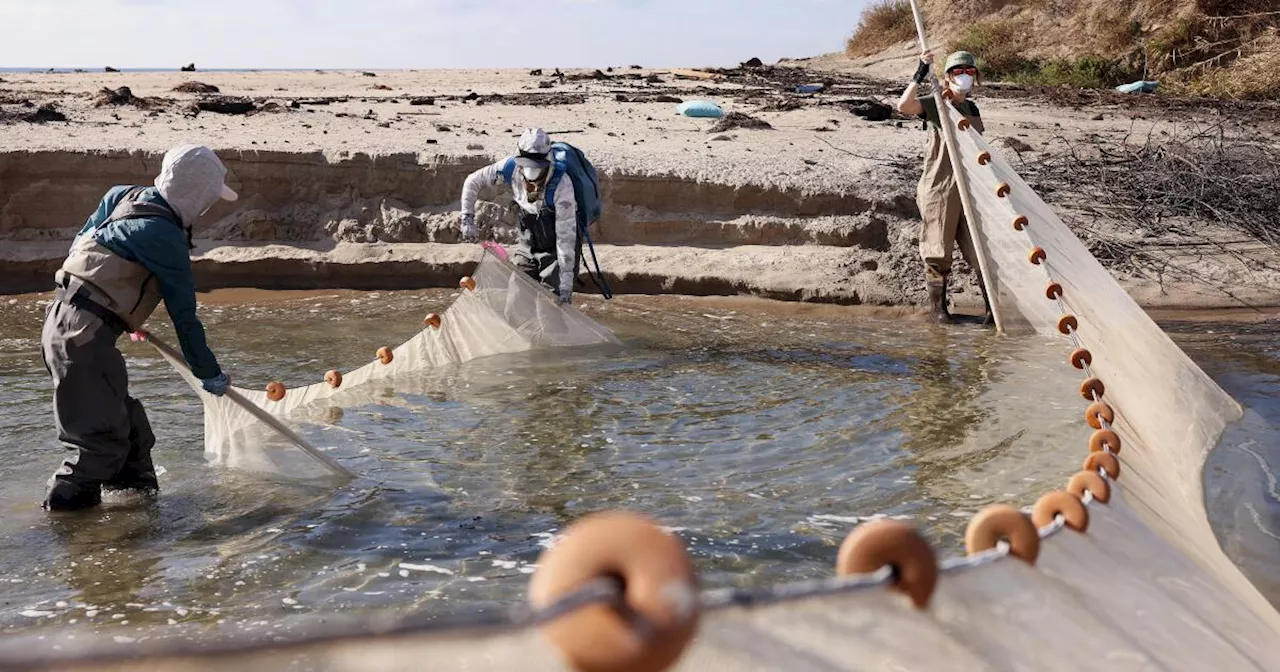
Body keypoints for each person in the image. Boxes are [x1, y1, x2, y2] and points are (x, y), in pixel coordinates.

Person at [41, 144, 237, 511]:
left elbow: (84, 248)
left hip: (64, 319)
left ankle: (137, 521)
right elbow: (185, 319)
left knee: (131, 434)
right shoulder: (166, 239)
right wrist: (209, 374)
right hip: (84, 336)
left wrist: (118, 312)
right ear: (197, 195)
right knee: (98, 446)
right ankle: (62, 530)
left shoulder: (121, 195)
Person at [896, 50, 993, 326]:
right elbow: (904, 106)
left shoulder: (972, 109)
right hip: (940, 185)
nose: (964, 76)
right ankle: (938, 311)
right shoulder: (938, 103)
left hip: (969, 188)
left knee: (980, 251)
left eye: (969, 71)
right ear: (948, 77)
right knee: (938, 248)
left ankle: (991, 310)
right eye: (958, 72)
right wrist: (920, 72)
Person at [458, 128, 606, 305]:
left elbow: (565, 240)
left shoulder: (562, 185)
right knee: (515, 302)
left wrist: (565, 287)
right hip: (527, 242)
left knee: (550, 307)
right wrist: (467, 218)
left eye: (538, 169)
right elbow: (473, 181)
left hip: (556, 249)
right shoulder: (509, 167)